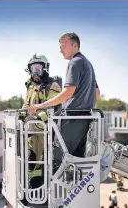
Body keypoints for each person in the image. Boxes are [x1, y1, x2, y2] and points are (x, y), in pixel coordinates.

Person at [27, 32, 101, 173]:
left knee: (55, 160)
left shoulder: (75, 62)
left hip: (72, 119)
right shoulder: (87, 63)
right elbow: (97, 93)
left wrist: (40, 106)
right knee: (76, 160)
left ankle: (50, 193)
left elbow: (67, 92)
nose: (60, 50)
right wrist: (85, 102)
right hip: (84, 119)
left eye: (63, 46)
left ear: (74, 45)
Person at [21, 53, 62, 185]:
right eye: (33, 69)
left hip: (45, 131)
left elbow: (54, 108)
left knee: (41, 162)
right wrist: (21, 115)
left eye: (38, 68)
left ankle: (39, 187)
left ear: (45, 68)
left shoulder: (52, 86)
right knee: (29, 160)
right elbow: (26, 106)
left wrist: (37, 118)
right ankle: (31, 185)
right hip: (31, 132)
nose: (35, 72)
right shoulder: (30, 87)